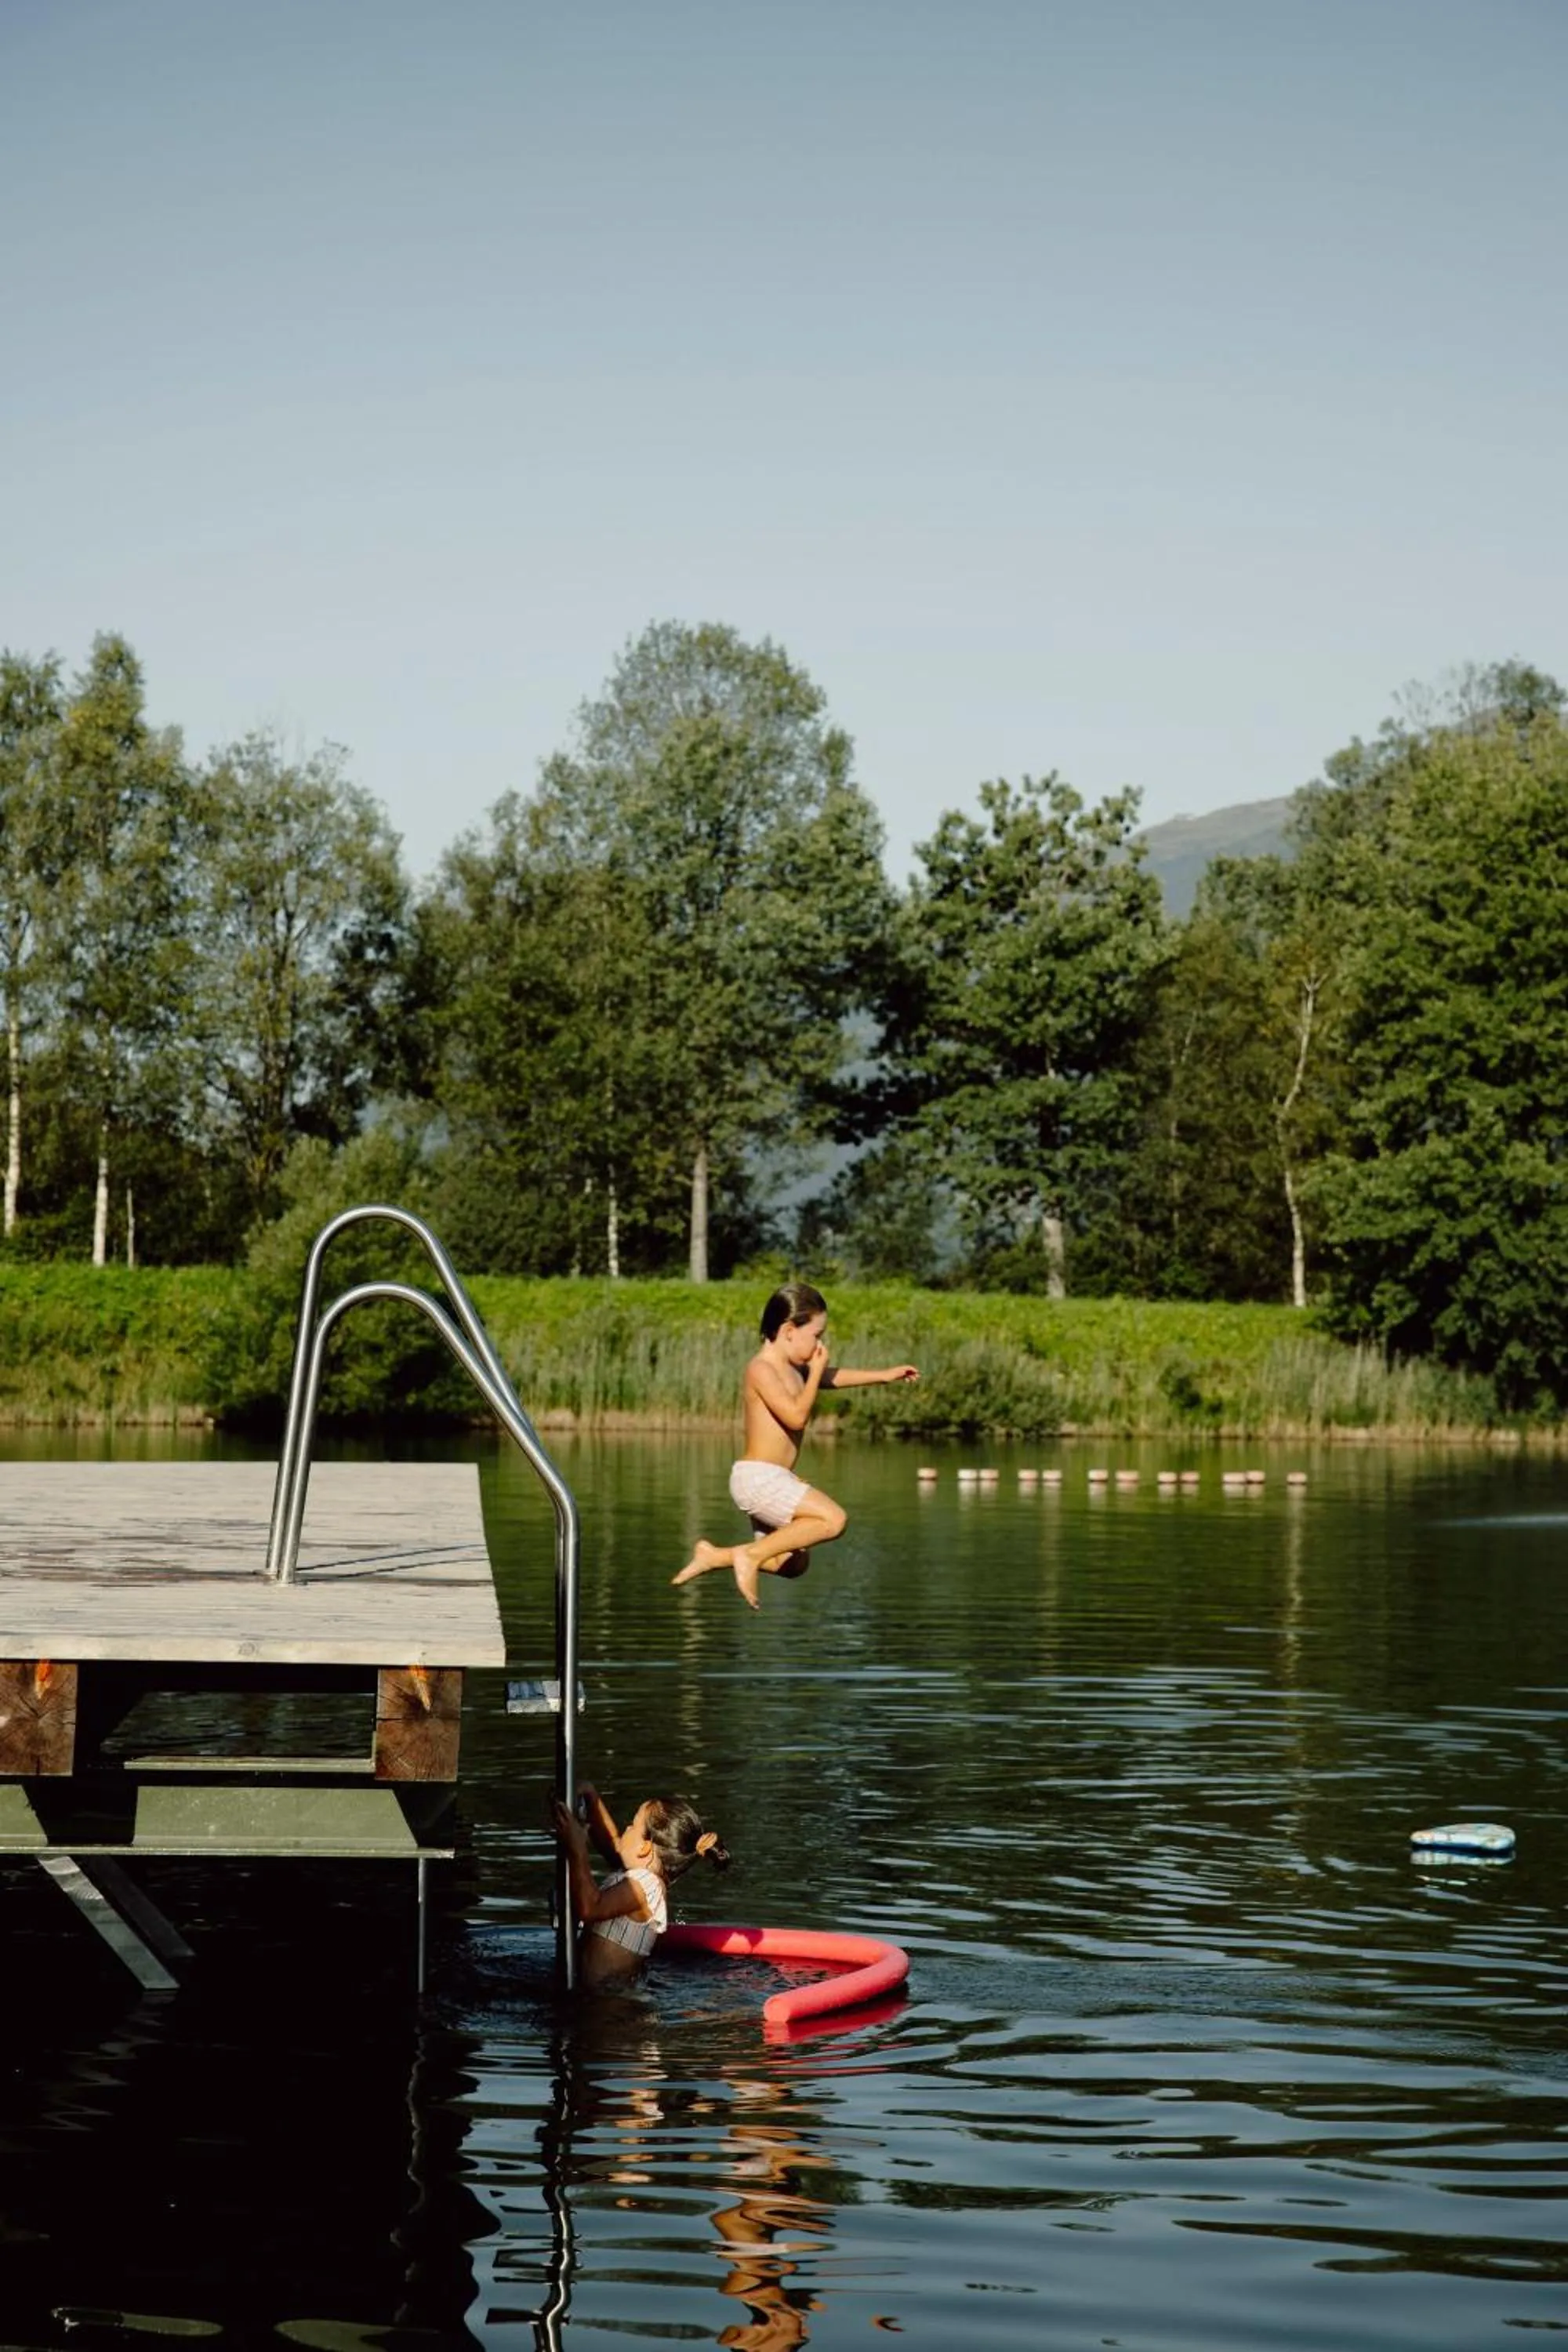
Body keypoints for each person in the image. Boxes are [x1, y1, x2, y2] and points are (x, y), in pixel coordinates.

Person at [672, 1281, 919, 1610]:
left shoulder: (794, 1368)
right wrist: (814, 1373)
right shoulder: (760, 1369)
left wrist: (884, 1375)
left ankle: (717, 1556)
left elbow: (833, 1376)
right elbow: (796, 1418)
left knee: (792, 1564)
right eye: (817, 1335)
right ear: (789, 1330)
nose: (820, 1345)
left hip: (776, 1478)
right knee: (833, 1520)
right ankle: (749, 1554)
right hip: (758, 1479)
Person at [550, 1781, 731, 1989]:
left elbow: (589, 1908)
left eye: (632, 1825)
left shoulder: (645, 1887)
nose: (626, 1829)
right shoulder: (639, 1877)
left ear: (645, 1848)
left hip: (609, 2007)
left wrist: (578, 1848)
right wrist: (592, 1798)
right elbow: (612, 1845)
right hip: (599, 1995)